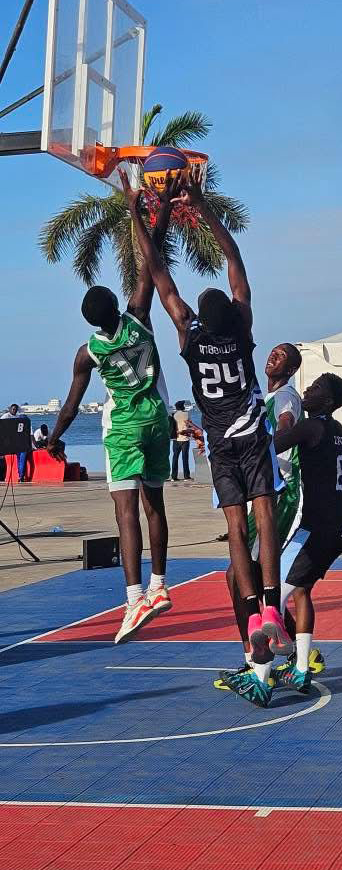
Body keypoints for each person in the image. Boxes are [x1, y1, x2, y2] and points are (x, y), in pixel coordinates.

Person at [124, 168, 285, 704]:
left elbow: (159, 272)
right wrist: (203, 206)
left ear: (198, 318)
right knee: (266, 520)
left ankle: (256, 617)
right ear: (235, 316)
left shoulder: (190, 337)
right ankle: (269, 606)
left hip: (218, 441)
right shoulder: (242, 331)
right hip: (251, 434)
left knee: (236, 529)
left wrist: (138, 209)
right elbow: (235, 264)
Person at [46, 177, 179, 645]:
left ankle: (133, 597)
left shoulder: (89, 353)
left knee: (125, 513)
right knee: (155, 505)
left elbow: (70, 404)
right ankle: (161, 585)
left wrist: (55, 437)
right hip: (157, 423)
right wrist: (145, 209)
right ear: (115, 306)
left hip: (122, 428)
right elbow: (152, 256)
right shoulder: (140, 316)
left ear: (88, 320)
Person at [221, 373, 342, 704]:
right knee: (302, 590)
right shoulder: (341, 433)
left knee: (272, 599)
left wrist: (228, 440)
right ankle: (299, 667)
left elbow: (272, 445)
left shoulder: (312, 427)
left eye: (317, 388)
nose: (308, 390)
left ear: (329, 401)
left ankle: (261, 679)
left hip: (318, 527)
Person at [2, 404, 29, 481]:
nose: (14, 411)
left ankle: (21, 476)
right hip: (11, 442)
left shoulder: (17, 417)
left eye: (15, 409)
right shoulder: (6, 416)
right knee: (19, 458)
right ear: (10, 409)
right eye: (13, 409)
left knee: (20, 458)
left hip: (17, 442)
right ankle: (20, 476)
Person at [170, 400, 191, 480]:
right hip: (185, 438)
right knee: (185, 457)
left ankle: (174, 476)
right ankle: (186, 476)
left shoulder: (174, 415)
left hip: (176, 438)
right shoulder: (186, 414)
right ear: (183, 406)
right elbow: (189, 425)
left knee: (175, 457)